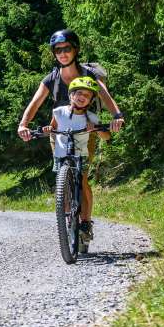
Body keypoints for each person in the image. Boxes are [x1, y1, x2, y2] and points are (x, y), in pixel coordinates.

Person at [17, 28, 125, 239]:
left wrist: (117, 116)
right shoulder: (52, 78)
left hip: (86, 130)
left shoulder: (88, 74)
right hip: (58, 130)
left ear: (75, 50)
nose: (62, 53)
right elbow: (35, 102)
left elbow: (105, 95)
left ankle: (85, 223)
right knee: (62, 174)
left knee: (82, 176)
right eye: (58, 50)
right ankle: (67, 215)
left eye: (66, 48)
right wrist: (23, 124)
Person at [41, 77, 109, 237]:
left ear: (91, 100)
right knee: (63, 186)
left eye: (87, 95)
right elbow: (53, 127)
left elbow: (106, 137)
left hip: (81, 154)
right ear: (71, 95)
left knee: (83, 182)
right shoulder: (58, 112)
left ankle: (85, 222)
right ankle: (66, 219)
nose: (82, 97)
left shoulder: (91, 117)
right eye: (79, 93)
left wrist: (96, 129)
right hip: (62, 153)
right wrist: (47, 129)